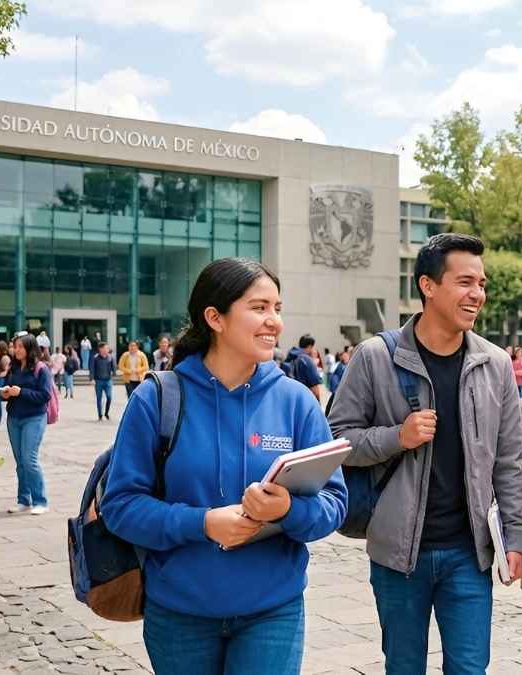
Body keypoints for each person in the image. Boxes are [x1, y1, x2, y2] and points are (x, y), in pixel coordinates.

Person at [101, 258, 345, 674]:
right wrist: (203, 523)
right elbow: (120, 506)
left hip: (273, 610)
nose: (274, 321)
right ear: (215, 318)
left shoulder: (296, 402)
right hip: (179, 614)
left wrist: (288, 509)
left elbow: (334, 504)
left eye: (277, 308)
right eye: (259, 307)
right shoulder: (157, 399)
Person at [328, 233, 522, 674]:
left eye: (481, 283)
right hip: (399, 555)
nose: (477, 294)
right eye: (465, 282)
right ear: (428, 286)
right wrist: (396, 437)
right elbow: (337, 440)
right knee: (403, 667)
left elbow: (509, 461)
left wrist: (516, 535)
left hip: (470, 554)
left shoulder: (494, 364)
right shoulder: (375, 357)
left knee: (470, 669)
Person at [1, 333, 52, 515]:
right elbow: (7, 389)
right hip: (14, 418)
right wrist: (5, 393)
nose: (16, 350)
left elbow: (45, 395)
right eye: (15, 346)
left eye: (20, 346)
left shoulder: (41, 369)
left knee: (29, 460)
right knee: (20, 462)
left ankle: (40, 501)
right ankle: (24, 500)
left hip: (34, 418)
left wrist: (21, 392)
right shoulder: (13, 368)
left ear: (30, 348)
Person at [284, 335, 324, 401]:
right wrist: (317, 402)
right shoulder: (306, 359)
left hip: (291, 396)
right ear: (310, 346)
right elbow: (314, 386)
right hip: (305, 397)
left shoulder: (291, 357)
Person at [91, 342, 115, 421]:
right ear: (100, 349)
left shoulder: (110, 357)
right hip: (98, 381)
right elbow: (92, 369)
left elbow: (114, 367)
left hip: (108, 381)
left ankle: (106, 413)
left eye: (107, 348)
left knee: (109, 397)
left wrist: (114, 372)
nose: (107, 349)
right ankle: (100, 415)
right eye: (105, 348)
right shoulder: (95, 358)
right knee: (99, 398)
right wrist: (92, 379)